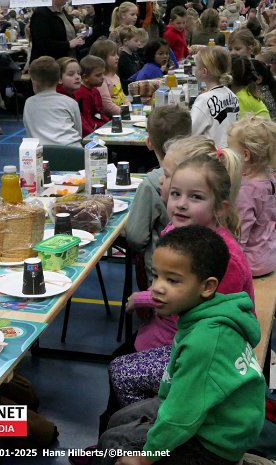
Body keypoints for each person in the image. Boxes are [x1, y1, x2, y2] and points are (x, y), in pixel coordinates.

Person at [97, 226, 264, 465]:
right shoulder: (207, 313)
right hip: (214, 417)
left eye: (172, 280)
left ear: (207, 287)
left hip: (215, 443)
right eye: (156, 276)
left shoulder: (205, 340)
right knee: (118, 420)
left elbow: (182, 416)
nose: (157, 287)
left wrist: (146, 457)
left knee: (114, 444)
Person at [110, 141, 253, 409]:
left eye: (196, 197)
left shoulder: (224, 258)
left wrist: (145, 299)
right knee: (120, 359)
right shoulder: (176, 231)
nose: (182, 204)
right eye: (175, 193)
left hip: (200, 347)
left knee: (121, 370)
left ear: (220, 208)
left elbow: (216, 328)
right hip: (174, 329)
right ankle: (121, 432)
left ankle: (143, 429)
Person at [125, 105, 192, 285]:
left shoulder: (150, 184)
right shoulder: (203, 173)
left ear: (148, 143)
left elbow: (136, 237)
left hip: (160, 278)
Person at [228, 116, 276, 276]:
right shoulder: (269, 177)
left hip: (251, 264)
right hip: (268, 256)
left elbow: (240, 236)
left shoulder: (246, 191)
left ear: (246, 155)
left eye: (230, 149)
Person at [23, 56, 82, 145]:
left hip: (42, 152)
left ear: (35, 82)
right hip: (71, 150)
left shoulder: (29, 102)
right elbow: (78, 131)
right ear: (59, 79)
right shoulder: (70, 102)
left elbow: (30, 132)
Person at [191, 46, 239, 147]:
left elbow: (190, 133)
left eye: (196, 66)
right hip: (230, 153)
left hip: (212, 156)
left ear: (204, 72)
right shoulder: (232, 95)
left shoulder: (204, 100)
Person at [89, 39, 128, 116]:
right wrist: (126, 113)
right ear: (102, 58)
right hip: (113, 118)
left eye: (117, 54)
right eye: (113, 55)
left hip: (123, 114)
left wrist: (129, 107)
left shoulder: (115, 76)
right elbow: (107, 105)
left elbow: (122, 96)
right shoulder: (101, 80)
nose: (117, 57)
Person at [73, 55, 110, 137]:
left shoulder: (95, 90)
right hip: (92, 134)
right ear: (85, 77)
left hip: (101, 127)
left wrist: (109, 123)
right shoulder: (81, 93)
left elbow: (100, 113)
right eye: (98, 75)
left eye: (103, 74)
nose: (102, 78)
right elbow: (86, 120)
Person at [117, 26, 146, 94]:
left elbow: (143, 67)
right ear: (125, 41)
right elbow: (133, 75)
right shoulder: (123, 58)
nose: (139, 43)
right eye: (136, 41)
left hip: (137, 87)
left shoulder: (135, 54)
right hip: (129, 91)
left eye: (139, 41)